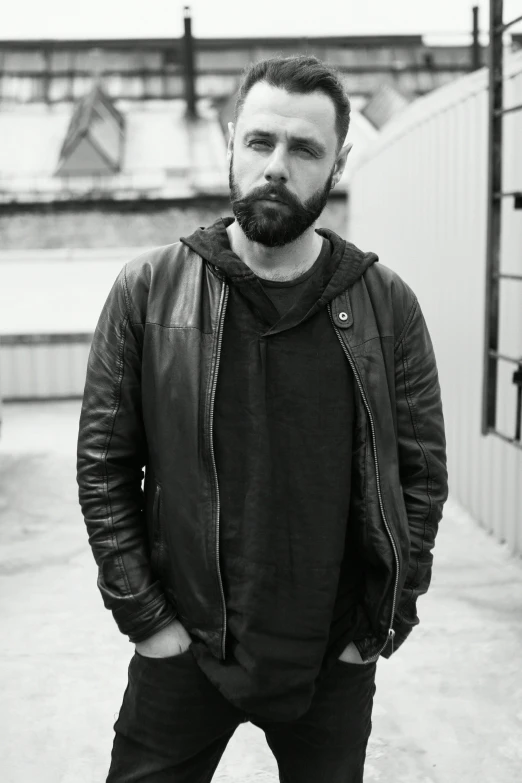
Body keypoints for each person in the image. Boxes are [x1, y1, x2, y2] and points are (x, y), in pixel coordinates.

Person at [77, 54, 448, 783]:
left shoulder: (385, 305)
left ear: (338, 161)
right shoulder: (149, 290)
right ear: (230, 142)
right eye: (260, 141)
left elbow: (421, 480)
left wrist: (376, 628)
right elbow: (104, 468)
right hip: (185, 647)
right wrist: (150, 624)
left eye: (304, 149)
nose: (277, 166)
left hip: (331, 655)